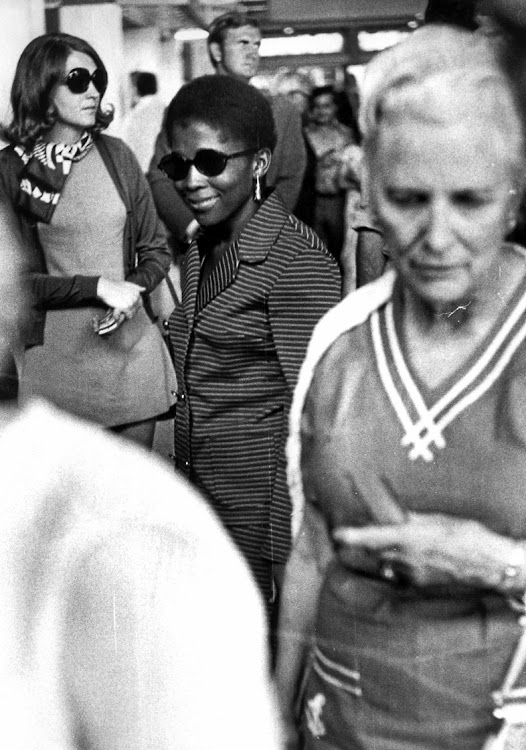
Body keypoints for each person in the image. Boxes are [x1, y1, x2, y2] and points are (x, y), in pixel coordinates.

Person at [277, 24, 526, 750]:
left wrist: (500, 566)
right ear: (368, 197)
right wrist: (271, 706)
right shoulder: (342, 338)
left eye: (470, 201)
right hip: (342, 721)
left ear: (513, 195)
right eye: (409, 199)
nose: (438, 236)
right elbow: (311, 552)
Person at [0, 198, 281, 750]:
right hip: (68, 372)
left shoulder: (130, 535)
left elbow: (154, 247)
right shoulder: (19, 166)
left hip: (132, 375)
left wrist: (126, 286)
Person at [158, 75, 341, 622]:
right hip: (201, 498)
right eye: (177, 165)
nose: (191, 180)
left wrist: (290, 559)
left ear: (260, 163)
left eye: (211, 163)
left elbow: (314, 421)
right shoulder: (200, 246)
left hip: (264, 521)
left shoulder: (295, 261)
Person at [0, 33, 177, 449]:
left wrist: (132, 288)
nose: (94, 90)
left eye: (97, 78)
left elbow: (155, 250)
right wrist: (96, 286)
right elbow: (11, 284)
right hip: (55, 370)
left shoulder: (117, 156)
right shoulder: (11, 170)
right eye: (78, 80)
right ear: (43, 90)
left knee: (135, 503)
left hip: (131, 354)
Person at [147, 11, 307, 252]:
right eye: (242, 43)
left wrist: (263, 231)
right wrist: (192, 230)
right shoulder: (186, 107)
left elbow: (290, 176)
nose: (253, 52)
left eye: (257, 44)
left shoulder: (281, 111)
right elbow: (161, 177)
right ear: (217, 51)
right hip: (201, 243)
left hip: (261, 243)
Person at [301, 85, 358, 268]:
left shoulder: (346, 134)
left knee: (340, 249)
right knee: (315, 249)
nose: (321, 111)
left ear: (335, 108)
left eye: (326, 106)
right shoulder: (306, 134)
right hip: (313, 200)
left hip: (339, 201)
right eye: (317, 106)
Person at [122, 71, 166, 172]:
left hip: (145, 175)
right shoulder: (169, 110)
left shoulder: (133, 116)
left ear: (136, 89)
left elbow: (126, 152)